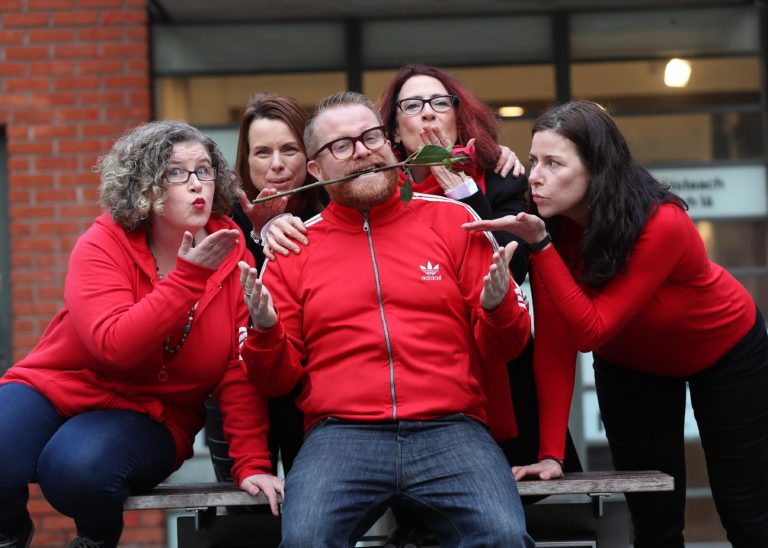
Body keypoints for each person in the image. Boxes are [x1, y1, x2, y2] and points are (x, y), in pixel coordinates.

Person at [463, 100, 768, 547]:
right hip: (630, 364)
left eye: (553, 163)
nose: (535, 176)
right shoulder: (551, 227)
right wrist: (550, 454)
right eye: (533, 161)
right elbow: (555, 345)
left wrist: (541, 247)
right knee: (653, 523)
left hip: (723, 350)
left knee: (748, 516)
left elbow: (592, 330)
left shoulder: (662, 222)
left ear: (597, 168)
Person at [239, 91, 535, 548]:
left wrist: (498, 309)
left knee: (504, 537)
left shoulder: (455, 221)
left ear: (390, 145)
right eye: (342, 145)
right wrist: (265, 331)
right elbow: (275, 380)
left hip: (451, 428)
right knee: (304, 541)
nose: (362, 151)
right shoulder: (293, 247)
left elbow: (507, 348)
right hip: (341, 434)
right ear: (315, 169)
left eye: (371, 137)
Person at [0, 121, 283, 548]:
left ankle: (95, 539)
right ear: (145, 186)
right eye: (176, 172)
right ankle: (8, 534)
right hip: (60, 385)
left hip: (153, 414)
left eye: (204, 170)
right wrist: (188, 279)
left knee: (74, 470)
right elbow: (114, 345)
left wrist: (252, 463)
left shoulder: (230, 250)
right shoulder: (103, 243)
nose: (196, 184)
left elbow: (235, 369)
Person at [377, 62, 581, 478]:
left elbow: (515, 266)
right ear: (394, 129)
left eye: (439, 103)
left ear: (458, 116)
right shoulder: (377, 191)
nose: (428, 113)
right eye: (412, 105)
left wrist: (463, 190)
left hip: (498, 358)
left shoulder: (501, 178)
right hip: (415, 368)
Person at [205, 92, 324, 483]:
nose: (276, 164)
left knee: (313, 500)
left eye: (289, 149)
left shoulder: (331, 208)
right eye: (262, 152)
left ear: (310, 155)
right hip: (237, 389)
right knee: (247, 504)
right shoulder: (221, 216)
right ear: (246, 159)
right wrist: (261, 232)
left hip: (310, 387)